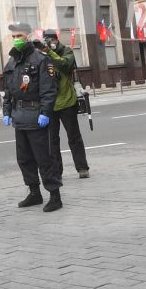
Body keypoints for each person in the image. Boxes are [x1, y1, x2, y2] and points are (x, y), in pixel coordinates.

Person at [0, 21, 62, 211]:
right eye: (13, 37)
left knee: (44, 158)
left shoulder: (40, 59)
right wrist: (7, 111)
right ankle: (34, 192)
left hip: (36, 116)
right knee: (24, 159)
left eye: (19, 36)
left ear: (28, 35)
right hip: (20, 117)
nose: (16, 40)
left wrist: (45, 113)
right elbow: (8, 90)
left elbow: (48, 90)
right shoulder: (12, 61)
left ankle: (54, 195)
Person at [42, 29, 91, 179]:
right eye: (47, 41)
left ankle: (82, 168)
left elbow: (64, 65)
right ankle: (57, 172)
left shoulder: (67, 51)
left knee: (74, 137)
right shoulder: (42, 56)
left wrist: (50, 53)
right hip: (50, 104)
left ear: (56, 40)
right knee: (52, 141)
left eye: (52, 40)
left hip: (67, 101)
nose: (51, 44)